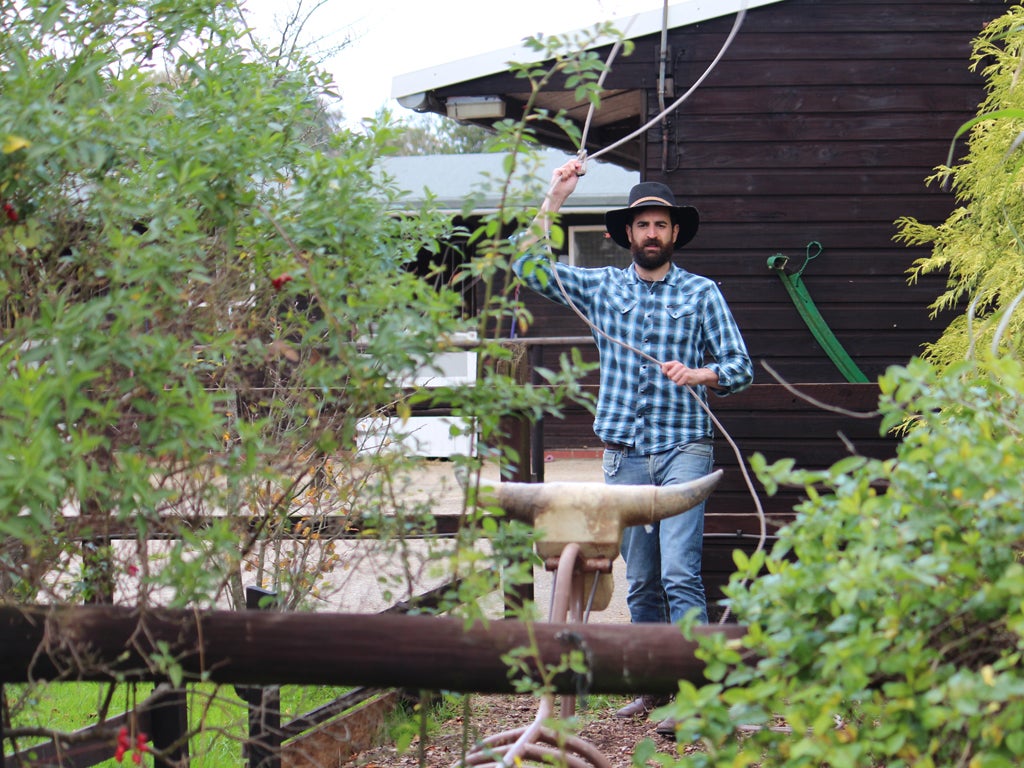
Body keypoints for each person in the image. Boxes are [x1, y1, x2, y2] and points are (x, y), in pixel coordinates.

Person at [512, 158, 753, 730]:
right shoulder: (600, 287)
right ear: (628, 234)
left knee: (680, 574)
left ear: (674, 234)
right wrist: (556, 195)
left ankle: (697, 695)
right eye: (642, 224)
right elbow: (525, 266)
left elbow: (741, 368)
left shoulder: (703, 293)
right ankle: (653, 688)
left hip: (684, 450)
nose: (651, 233)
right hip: (624, 453)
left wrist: (700, 375)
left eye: (661, 225)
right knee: (641, 576)